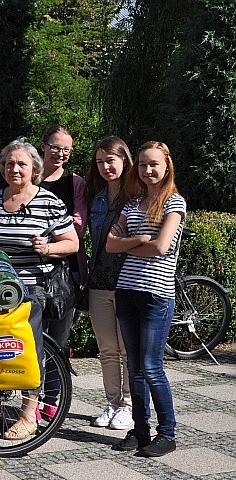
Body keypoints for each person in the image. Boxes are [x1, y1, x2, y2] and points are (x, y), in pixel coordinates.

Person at [0, 138, 79, 439]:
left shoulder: (48, 202)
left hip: (31, 288)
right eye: (9, 163)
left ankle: (27, 415)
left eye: (21, 163)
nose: (15, 169)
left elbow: (71, 242)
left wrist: (47, 247)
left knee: (28, 350)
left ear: (34, 168)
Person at [106, 141, 185, 457]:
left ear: (167, 166)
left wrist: (129, 245)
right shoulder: (132, 203)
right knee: (134, 367)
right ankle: (140, 432)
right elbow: (110, 245)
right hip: (127, 291)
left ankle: (167, 434)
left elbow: (162, 247)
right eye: (142, 164)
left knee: (152, 367)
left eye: (153, 164)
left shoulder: (173, 203)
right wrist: (139, 239)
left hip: (157, 295)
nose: (148, 170)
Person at [85, 136, 133, 430]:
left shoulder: (137, 198)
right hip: (99, 281)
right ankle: (112, 402)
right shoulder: (98, 198)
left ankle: (129, 405)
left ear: (124, 160)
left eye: (110, 160)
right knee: (106, 349)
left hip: (128, 281)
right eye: (100, 161)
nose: (104, 166)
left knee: (128, 349)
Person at [38, 124, 88, 353]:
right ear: (43, 146)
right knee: (31, 335)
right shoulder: (28, 177)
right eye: (55, 147)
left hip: (67, 269)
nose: (60, 154)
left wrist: (48, 240)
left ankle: (55, 388)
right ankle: (30, 389)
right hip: (31, 267)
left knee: (59, 339)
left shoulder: (75, 183)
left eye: (66, 150)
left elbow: (78, 226)